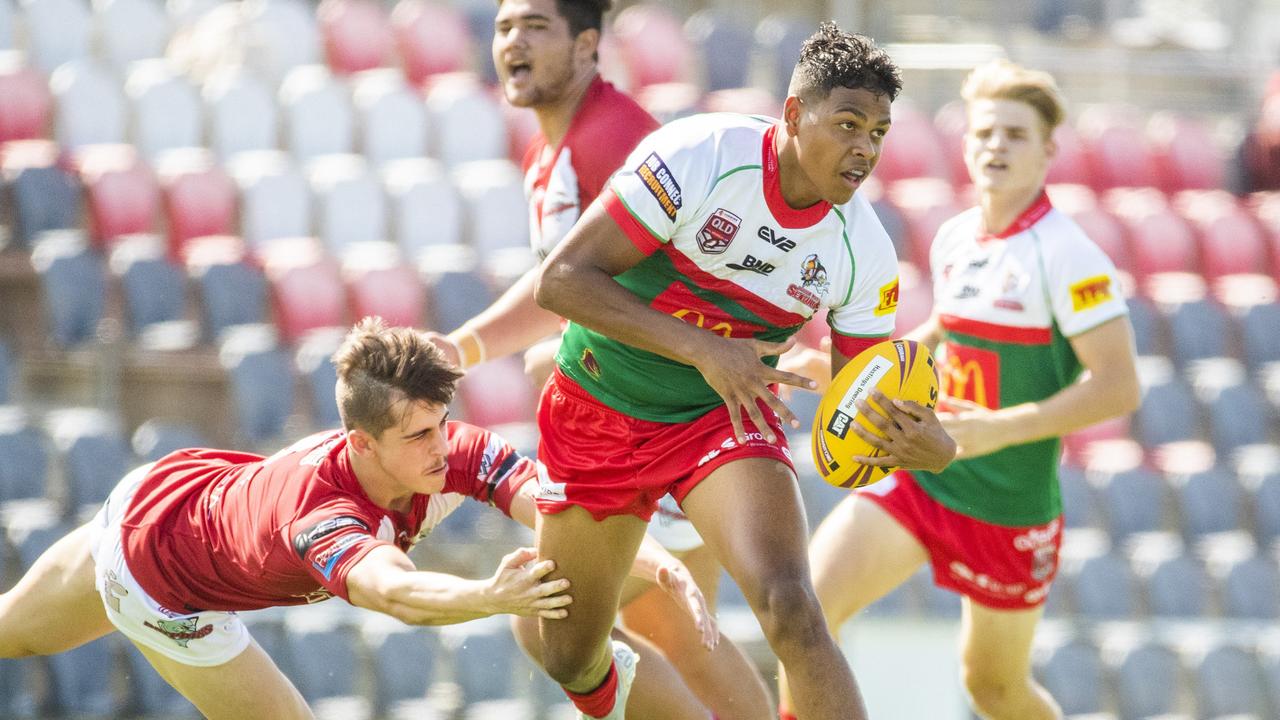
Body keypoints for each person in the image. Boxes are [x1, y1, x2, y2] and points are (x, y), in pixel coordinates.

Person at [530, 22, 957, 720]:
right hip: (598, 407)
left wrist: (926, 449)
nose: (864, 149)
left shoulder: (866, 251)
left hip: (721, 421)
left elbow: (859, 408)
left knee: (790, 604)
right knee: (568, 656)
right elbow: (563, 283)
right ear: (793, 115)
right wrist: (703, 347)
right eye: (848, 124)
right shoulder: (700, 154)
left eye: (878, 133)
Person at [0, 317, 713, 720]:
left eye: (442, 424)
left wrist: (654, 560)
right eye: (418, 436)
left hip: (158, 492)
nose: (443, 447)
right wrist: (491, 598)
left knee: (13, 633)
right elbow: (396, 593)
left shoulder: (441, 446)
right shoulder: (322, 509)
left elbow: (555, 509)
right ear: (361, 443)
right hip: (165, 585)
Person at [428, 1, 775, 717]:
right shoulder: (550, 148)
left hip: (656, 416)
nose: (514, 42)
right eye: (503, 28)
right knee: (677, 632)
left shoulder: (614, 136)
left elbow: (675, 280)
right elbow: (566, 279)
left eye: (536, 26)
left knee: (548, 618)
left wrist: (553, 351)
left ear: (588, 44)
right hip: (650, 418)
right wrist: (469, 346)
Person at [776, 60, 1142, 720]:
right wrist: (830, 368)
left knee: (992, 690)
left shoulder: (1069, 254)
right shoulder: (954, 239)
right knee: (802, 614)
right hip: (922, 479)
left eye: (1015, 134)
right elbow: (930, 344)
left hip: (1008, 505)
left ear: (1049, 150)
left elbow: (1118, 389)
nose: (995, 146)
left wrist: (992, 431)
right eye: (984, 133)